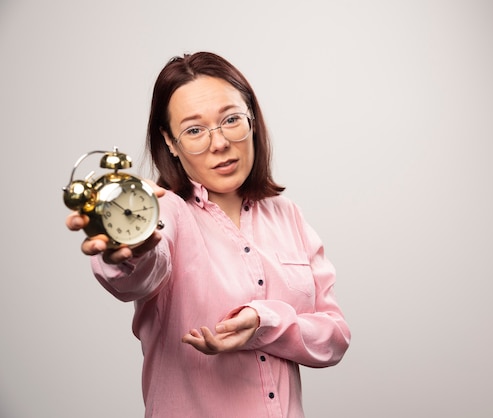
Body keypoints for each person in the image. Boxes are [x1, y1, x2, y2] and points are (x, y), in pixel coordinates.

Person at [65, 51, 351, 417]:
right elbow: (136, 274)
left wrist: (265, 322)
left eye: (231, 120)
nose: (219, 144)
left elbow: (334, 339)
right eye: (195, 130)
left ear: (252, 120)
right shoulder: (165, 212)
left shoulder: (289, 216)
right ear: (170, 142)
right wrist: (129, 247)